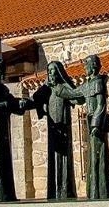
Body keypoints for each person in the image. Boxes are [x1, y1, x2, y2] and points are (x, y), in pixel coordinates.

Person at [30, 61, 84, 199]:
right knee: (53, 157)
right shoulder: (47, 89)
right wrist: (39, 109)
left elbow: (78, 99)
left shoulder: (63, 87)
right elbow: (36, 98)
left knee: (64, 159)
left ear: (59, 72)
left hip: (64, 128)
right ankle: (53, 192)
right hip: (53, 129)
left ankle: (65, 191)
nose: (51, 73)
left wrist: (65, 92)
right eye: (49, 71)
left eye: (53, 70)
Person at [0, 57, 29, 202]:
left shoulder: (3, 88)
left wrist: (21, 104)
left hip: (2, 128)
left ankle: (6, 194)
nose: (3, 73)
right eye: (2, 70)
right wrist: (6, 105)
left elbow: (11, 102)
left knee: (4, 159)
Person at [80, 55, 109, 199]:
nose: (85, 69)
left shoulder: (98, 82)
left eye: (86, 66)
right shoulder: (88, 84)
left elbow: (101, 105)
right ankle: (93, 192)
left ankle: (101, 193)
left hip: (97, 126)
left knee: (98, 158)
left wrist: (95, 124)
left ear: (93, 66)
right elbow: (75, 93)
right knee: (92, 158)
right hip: (92, 125)